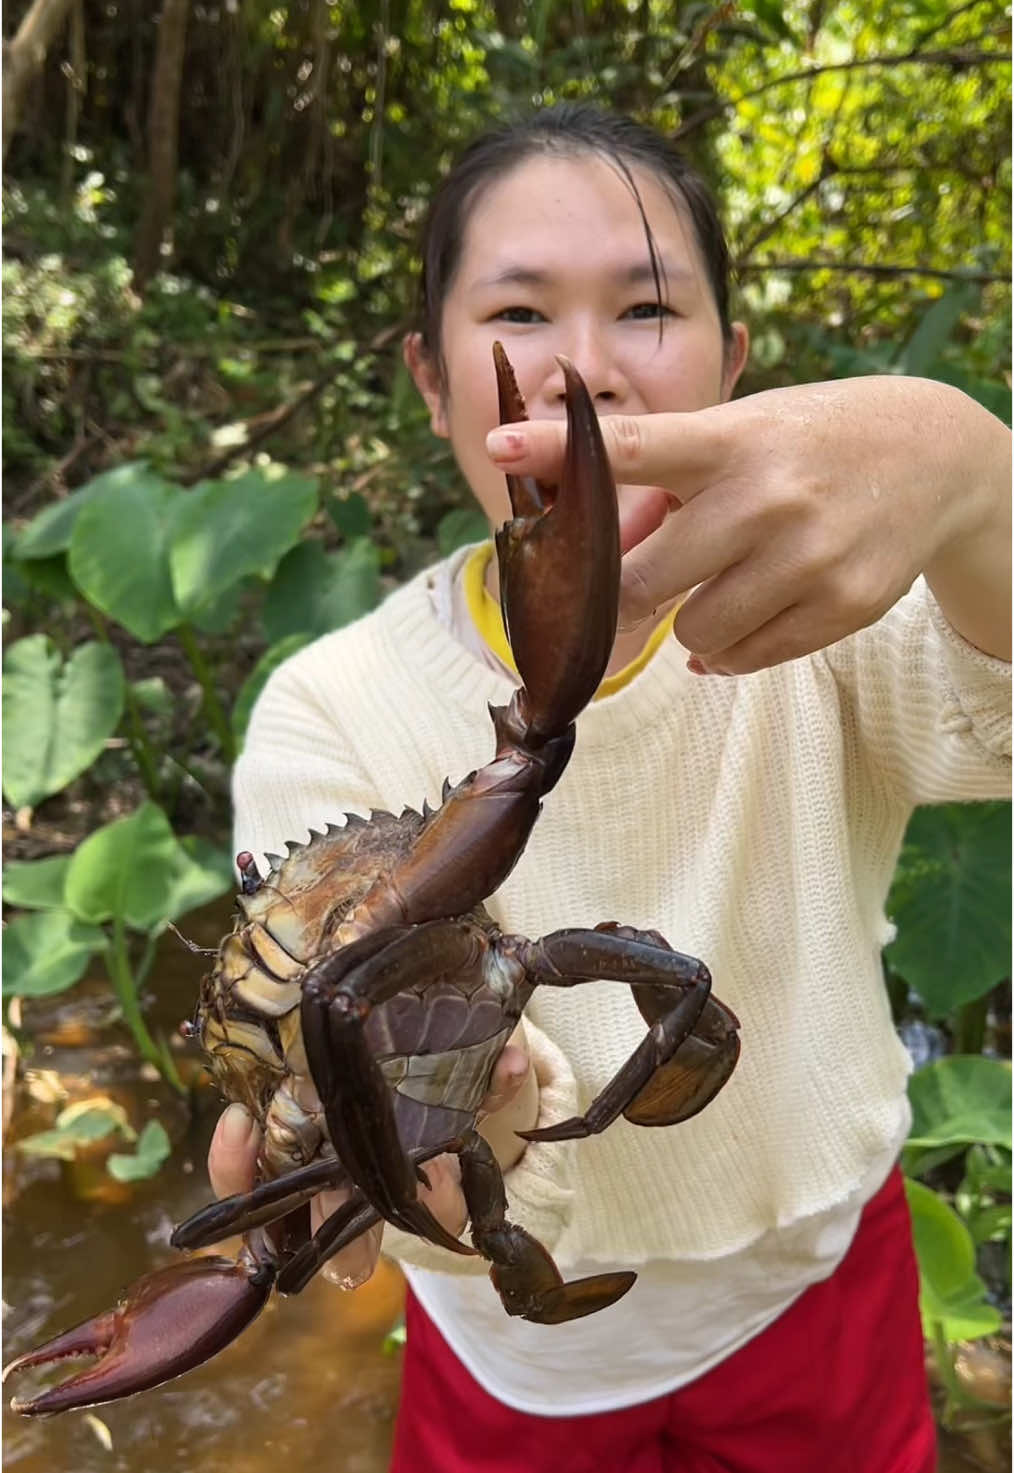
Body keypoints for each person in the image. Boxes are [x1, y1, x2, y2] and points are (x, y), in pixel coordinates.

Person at [208, 104, 1011, 1472]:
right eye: (518, 309)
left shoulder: (836, 629)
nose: (585, 372)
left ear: (734, 361)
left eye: (646, 308)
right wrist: (466, 1118)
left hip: (819, 1276)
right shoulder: (329, 704)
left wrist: (973, 474)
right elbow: (322, 1019)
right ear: (426, 375)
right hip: (512, 1340)